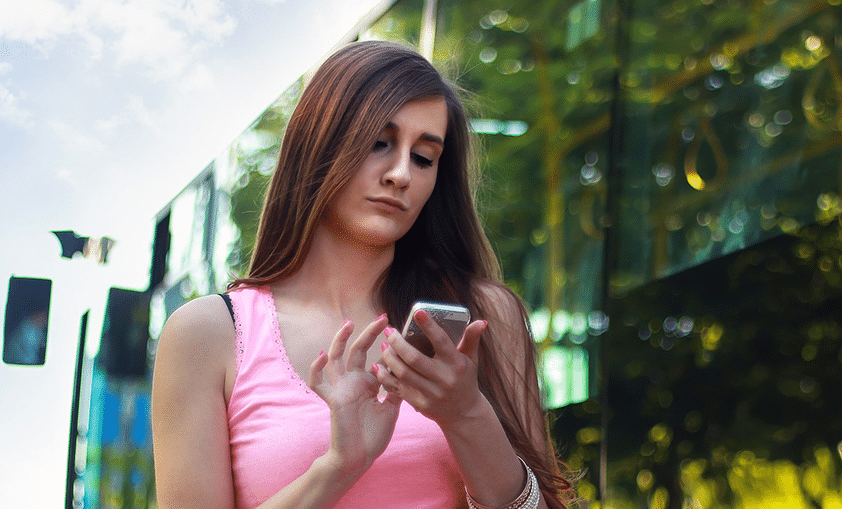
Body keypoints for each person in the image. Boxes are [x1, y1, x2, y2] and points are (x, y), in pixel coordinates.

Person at [151, 40, 575, 509]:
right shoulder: (207, 333)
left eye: (424, 157)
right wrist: (339, 466)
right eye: (379, 142)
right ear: (319, 144)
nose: (400, 174)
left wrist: (467, 415)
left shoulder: (484, 316)